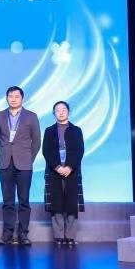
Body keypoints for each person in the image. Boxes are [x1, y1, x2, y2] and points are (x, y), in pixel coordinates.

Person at [0, 85, 41, 246]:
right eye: (10, 96)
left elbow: (37, 142)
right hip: (5, 162)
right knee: (7, 200)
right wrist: (7, 151)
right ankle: (7, 233)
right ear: (6, 98)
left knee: (24, 200)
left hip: (25, 164)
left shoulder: (31, 116)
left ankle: (23, 234)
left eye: (16, 96)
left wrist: (28, 158)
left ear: (22, 98)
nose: (13, 99)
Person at [42, 100, 85, 247]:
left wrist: (70, 167)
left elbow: (79, 150)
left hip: (72, 171)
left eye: (63, 110)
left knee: (72, 204)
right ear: (54, 113)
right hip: (54, 171)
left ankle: (70, 236)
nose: (61, 112)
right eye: (57, 110)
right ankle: (59, 236)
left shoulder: (76, 130)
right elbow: (46, 151)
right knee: (56, 204)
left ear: (68, 112)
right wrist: (57, 167)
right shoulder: (49, 131)